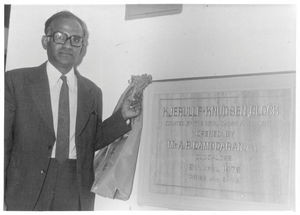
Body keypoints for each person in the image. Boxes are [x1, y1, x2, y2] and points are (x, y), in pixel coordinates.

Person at [4, 10, 141, 211]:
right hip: (25, 187)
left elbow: (90, 141)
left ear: (82, 47)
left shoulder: (92, 92)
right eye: (60, 37)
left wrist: (122, 116)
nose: (68, 45)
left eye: (76, 39)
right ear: (45, 41)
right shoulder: (15, 82)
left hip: (75, 186)